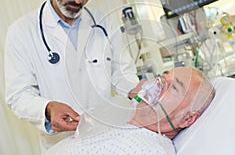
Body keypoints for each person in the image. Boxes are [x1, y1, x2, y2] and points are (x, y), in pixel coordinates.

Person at [4, 0, 139, 152]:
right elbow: (18, 94)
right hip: (63, 145)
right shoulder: (22, 31)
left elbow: (123, 75)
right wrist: (48, 109)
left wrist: (138, 93)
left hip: (107, 136)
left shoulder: (105, 23)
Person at [45, 66, 215, 155]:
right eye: (163, 77)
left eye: (173, 88)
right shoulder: (123, 118)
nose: (157, 84)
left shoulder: (149, 150)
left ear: (187, 119)